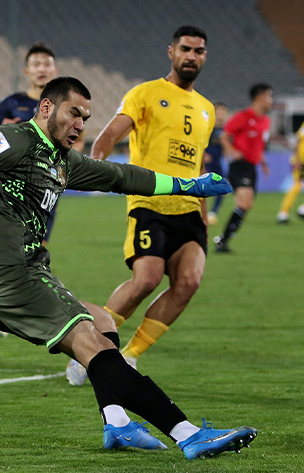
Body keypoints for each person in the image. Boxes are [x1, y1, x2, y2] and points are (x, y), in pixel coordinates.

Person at [0, 77, 256, 459]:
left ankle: (118, 423)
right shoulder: (14, 140)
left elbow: (121, 176)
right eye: (74, 113)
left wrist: (188, 185)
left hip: (26, 276)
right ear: (45, 108)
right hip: (8, 277)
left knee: (103, 322)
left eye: (86, 118)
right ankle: (186, 433)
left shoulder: (62, 161)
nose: (80, 124)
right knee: (92, 343)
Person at [64, 26, 216, 385]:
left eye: (199, 51)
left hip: (189, 208)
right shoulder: (146, 93)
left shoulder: (207, 109)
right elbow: (108, 136)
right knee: (146, 279)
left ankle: (129, 355)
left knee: (189, 282)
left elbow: (198, 164)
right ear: (171, 52)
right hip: (150, 202)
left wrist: (205, 211)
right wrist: (95, 169)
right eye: (186, 49)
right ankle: (87, 350)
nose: (192, 56)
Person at [0, 44, 69, 337]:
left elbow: (76, 142)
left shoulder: (64, 105)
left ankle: (15, 307)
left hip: (45, 189)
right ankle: (3, 309)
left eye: (46, 63)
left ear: (54, 69)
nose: (42, 68)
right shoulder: (10, 104)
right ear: (27, 71)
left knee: (37, 250)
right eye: (36, 64)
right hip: (13, 189)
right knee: (6, 249)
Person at [213, 83, 273, 253]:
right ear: (259, 97)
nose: (271, 100)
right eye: (269, 96)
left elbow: (258, 145)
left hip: (252, 166)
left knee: (247, 204)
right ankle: (222, 240)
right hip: (239, 165)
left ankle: (223, 240)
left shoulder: (266, 121)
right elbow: (225, 135)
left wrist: (262, 162)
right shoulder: (243, 116)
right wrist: (232, 151)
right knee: (244, 201)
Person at [204, 102, 229, 225]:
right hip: (205, 163)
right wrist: (203, 154)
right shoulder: (207, 127)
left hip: (217, 163)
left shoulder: (226, 129)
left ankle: (212, 213)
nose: (221, 115)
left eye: (223, 112)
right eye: (219, 112)